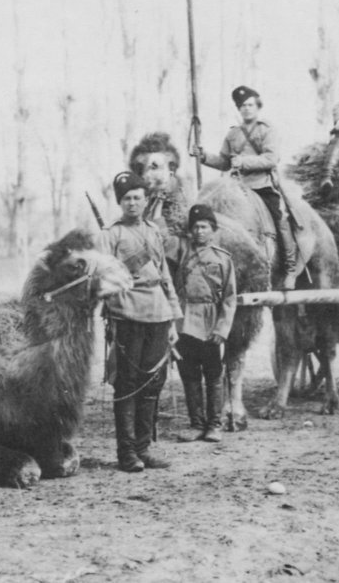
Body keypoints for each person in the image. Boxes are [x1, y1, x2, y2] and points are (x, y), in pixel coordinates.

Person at [98, 171, 182, 473]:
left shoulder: (153, 231)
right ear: (120, 202)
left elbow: (165, 276)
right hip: (128, 312)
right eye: (127, 199)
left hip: (158, 313)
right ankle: (127, 453)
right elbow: (105, 278)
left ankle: (144, 449)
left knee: (152, 383)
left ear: (145, 200)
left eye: (137, 197)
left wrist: (172, 319)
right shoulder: (110, 234)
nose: (132, 203)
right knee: (128, 384)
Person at [189, 85, 301, 290]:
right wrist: (204, 156)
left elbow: (271, 158)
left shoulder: (266, 129)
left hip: (261, 186)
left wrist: (244, 162)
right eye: (242, 106)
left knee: (281, 220)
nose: (246, 109)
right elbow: (224, 161)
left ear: (257, 106)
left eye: (250, 105)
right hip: (236, 188)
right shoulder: (233, 134)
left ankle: (290, 269)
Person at [173, 204, 237, 443]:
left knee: (213, 375)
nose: (199, 231)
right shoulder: (182, 253)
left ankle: (214, 424)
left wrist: (222, 329)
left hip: (211, 321)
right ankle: (196, 424)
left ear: (213, 229)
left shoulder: (223, 259)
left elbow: (229, 298)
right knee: (189, 375)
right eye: (195, 227)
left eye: (204, 227)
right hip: (185, 321)